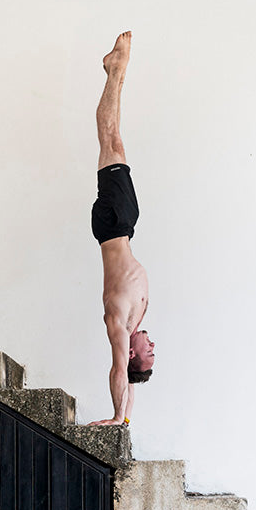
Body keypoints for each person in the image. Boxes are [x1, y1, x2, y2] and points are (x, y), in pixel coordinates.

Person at [89, 31, 155, 427]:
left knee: (109, 137)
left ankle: (114, 71)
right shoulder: (134, 317)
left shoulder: (118, 323)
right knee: (115, 141)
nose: (152, 345)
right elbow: (131, 380)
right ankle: (116, 76)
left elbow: (119, 372)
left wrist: (115, 417)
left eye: (148, 352)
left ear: (131, 352)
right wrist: (127, 417)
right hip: (123, 224)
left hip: (113, 223)